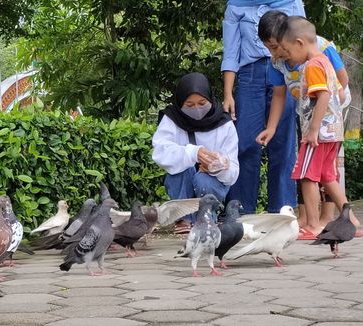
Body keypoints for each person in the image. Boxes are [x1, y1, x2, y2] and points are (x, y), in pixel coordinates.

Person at [254, 10, 355, 239]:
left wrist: (316, 126)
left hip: (322, 122)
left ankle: (314, 224)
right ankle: (350, 220)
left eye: (279, 47)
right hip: (322, 121)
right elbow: (280, 95)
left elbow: (335, 87)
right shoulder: (286, 60)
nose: (278, 53)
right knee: (327, 174)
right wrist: (272, 127)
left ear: (290, 39)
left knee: (308, 173)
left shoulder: (315, 58)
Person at [221, 0, 306, 215]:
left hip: (286, 73)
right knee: (245, 143)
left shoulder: (293, 3)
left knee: (283, 143)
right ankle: (240, 212)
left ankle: (282, 211)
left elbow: (303, 47)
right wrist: (228, 93)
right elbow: (231, 52)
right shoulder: (235, 6)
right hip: (250, 75)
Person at [152, 72, 239, 234]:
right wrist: (193, 153)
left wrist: (220, 167)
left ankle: (207, 216)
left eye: (202, 103)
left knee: (203, 179)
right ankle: (184, 218)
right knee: (182, 169)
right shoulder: (172, 119)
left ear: (210, 99)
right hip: (183, 180)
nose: (197, 109)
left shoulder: (224, 124)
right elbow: (160, 152)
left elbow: (233, 173)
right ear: (180, 103)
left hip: (212, 184)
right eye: (189, 105)